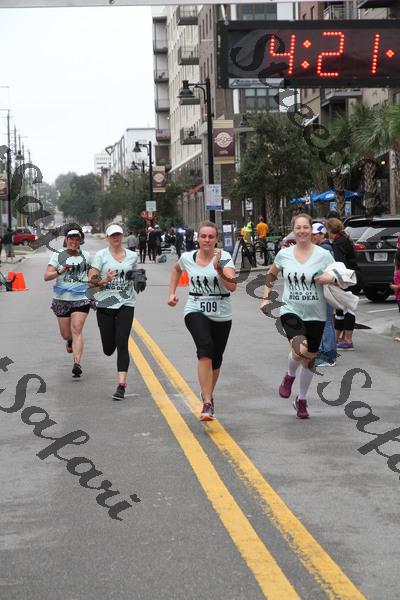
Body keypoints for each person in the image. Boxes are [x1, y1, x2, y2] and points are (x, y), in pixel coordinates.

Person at [260, 213, 335, 419]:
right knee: (300, 349)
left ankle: (301, 400)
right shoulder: (284, 254)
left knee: (309, 357)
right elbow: (271, 274)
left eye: (305, 227)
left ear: (311, 230)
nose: (302, 231)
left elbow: (338, 275)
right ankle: (289, 376)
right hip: (291, 310)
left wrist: (330, 277)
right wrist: (266, 298)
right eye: (298, 227)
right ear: (293, 230)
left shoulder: (323, 255)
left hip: (316, 314)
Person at [168, 221, 237, 421]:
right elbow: (176, 269)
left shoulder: (224, 257)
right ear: (198, 238)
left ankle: (207, 393)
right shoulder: (187, 257)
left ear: (217, 239)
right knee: (205, 348)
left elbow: (232, 287)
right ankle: (207, 403)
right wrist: (171, 293)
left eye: (211, 237)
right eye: (203, 236)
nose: (207, 240)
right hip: (195, 308)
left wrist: (219, 269)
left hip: (221, 311)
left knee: (216, 359)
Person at [88, 223, 139, 401]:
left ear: (122, 236)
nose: (116, 237)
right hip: (105, 304)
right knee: (109, 348)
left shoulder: (132, 256)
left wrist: (138, 279)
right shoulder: (100, 256)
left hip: (126, 303)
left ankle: (121, 386)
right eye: (112, 235)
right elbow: (91, 280)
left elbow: (134, 274)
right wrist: (105, 279)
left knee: (122, 343)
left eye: (118, 234)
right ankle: (112, 341)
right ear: (108, 238)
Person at [44, 225, 91, 378]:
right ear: (66, 239)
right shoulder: (58, 255)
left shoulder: (87, 256)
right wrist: (61, 270)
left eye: (77, 239)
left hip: (81, 299)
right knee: (66, 334)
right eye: (71, 239)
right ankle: (69, 340)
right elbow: (46, 276)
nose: (74, 242)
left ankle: (77, 363)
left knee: (77, 329)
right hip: (61, 300)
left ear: (80, 241)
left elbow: (93, 275)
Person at [326, 218, 360, 351]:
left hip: (347, 278)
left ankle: (348, 340)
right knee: (341, 308)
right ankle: (338, 339)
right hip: (353, 275)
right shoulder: (344, 239)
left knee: (347, 309)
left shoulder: (338, 243)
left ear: (330, 230)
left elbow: (341, 264)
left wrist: (337, 281)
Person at [311, 223, 337, 367]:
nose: (313, 237)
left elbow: (321, 271)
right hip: (324, 289)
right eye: (312, 234)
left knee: (326, 323)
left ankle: (329, 356)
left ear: (322, 234)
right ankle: (324, 353)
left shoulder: (324, 249)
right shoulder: (324, 248)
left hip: (324, 289)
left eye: (315, 234)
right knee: (324, 322)